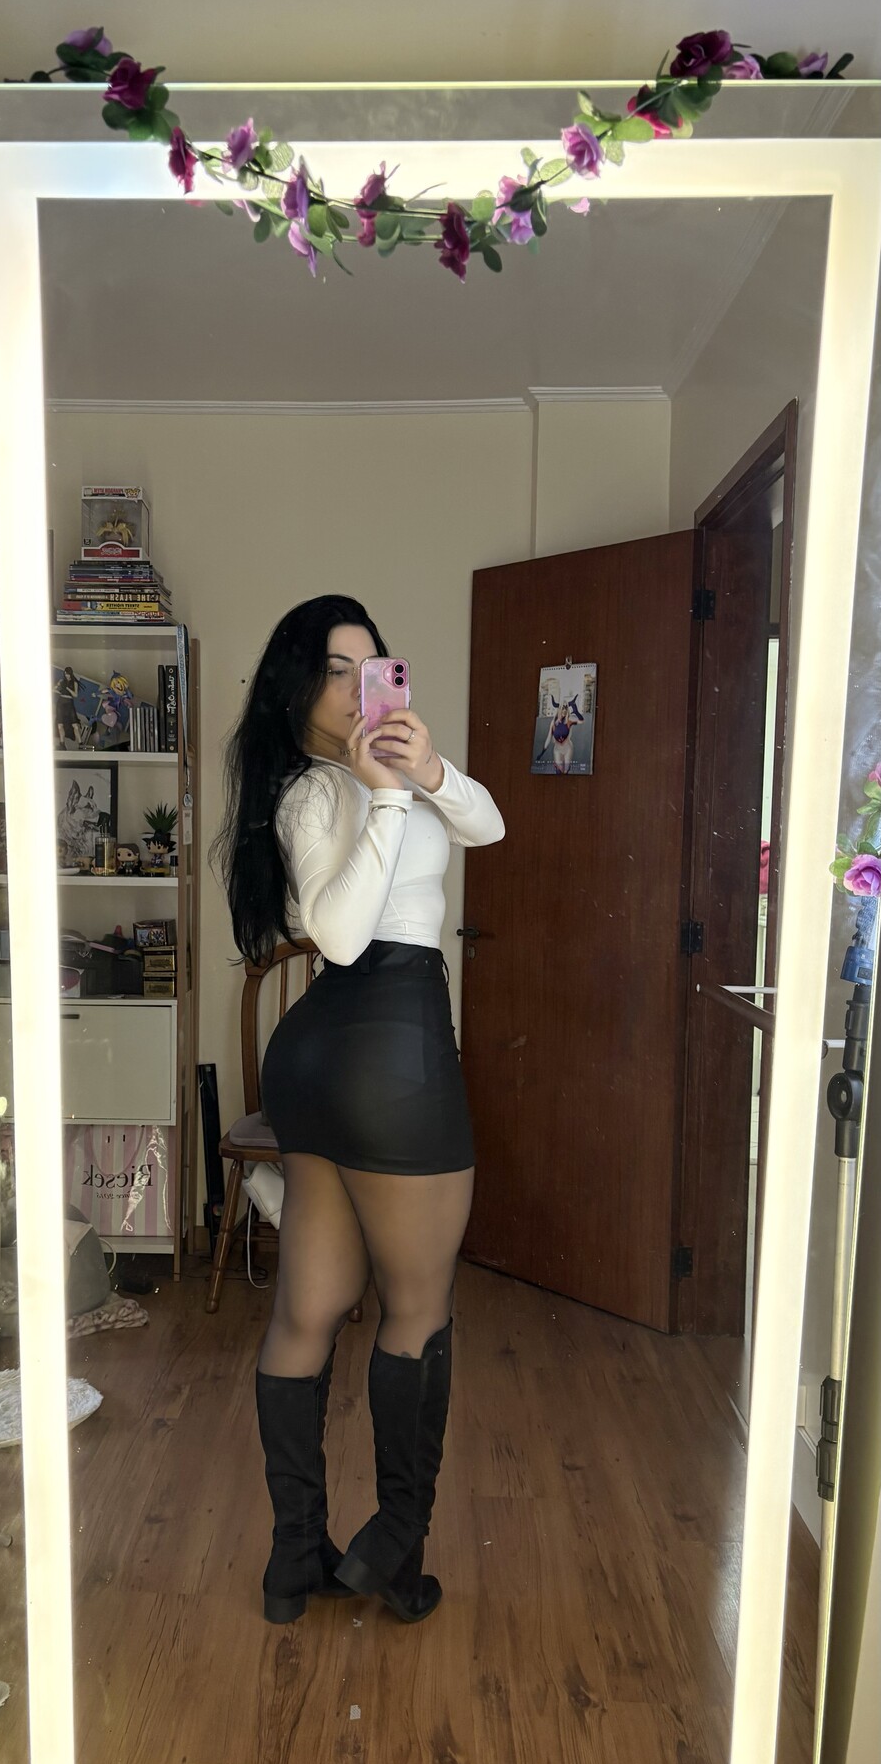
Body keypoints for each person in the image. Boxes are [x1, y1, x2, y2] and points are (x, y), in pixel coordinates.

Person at [211, 595, 505, 1626]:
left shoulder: (386, 768)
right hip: (389, 1043)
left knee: (313, 1305)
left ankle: (295, 1563)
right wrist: (384, 797)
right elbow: (338, 938)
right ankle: (393, 1551)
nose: (355, 687)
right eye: (335, 669)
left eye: (370, 666)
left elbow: (487, 822)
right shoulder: (310, 791)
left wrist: (428, 772)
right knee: (416, 1308)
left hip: (324, 1060)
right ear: (296, 686)